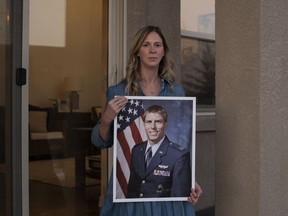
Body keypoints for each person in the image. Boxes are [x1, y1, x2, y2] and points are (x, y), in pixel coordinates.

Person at [91, 25, 202, 216]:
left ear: (163, 51)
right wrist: (107, 119)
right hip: (131, 201)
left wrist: (188, 181)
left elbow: (182, 155)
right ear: (137, 52)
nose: (152, 50)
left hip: (167, 200)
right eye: (146, 45)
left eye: (157, 45)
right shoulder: (118, 91)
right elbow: (100, 141)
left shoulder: (177, 92)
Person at [127, 104, 191, 198]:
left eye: (158, 122)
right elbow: (132, 190)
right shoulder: (137, 150)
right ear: (144, 125)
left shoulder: (179, 155)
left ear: (165, 125)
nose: (153, 126)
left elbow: (178, 197)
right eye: (149, 122)